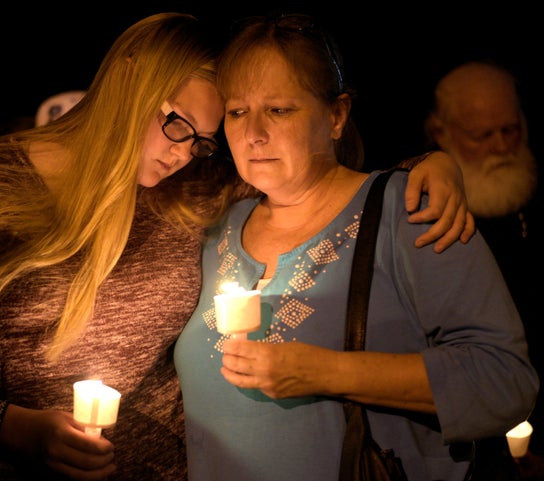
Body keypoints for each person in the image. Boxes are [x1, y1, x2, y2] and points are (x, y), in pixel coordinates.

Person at [0, 13, 473, 481]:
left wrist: (429, 165)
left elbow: (323, 172)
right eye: (178, 125)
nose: (187, 151)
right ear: (131, 76)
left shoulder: (192, 187)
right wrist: (14, 428)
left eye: (205, 141)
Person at [173, 14, 538, 481]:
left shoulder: (407, 213)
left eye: (280, 110)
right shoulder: (219, 227)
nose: (253, 133)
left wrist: (328, 372)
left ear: (337, 115)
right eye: (238, 111)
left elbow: (506, 381)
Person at [425, 60, 543, 480]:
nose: (500, 146)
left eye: (509, 130)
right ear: (440, 133)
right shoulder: (426, 217)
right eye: (482, 135)